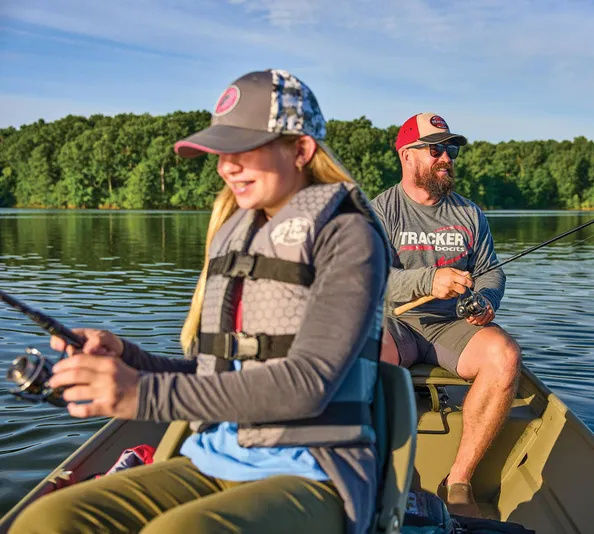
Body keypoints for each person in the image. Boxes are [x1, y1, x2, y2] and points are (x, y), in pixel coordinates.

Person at [10, 69, 389, 534]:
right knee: (49, 518)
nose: (225, 166)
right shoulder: (237, 235)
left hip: (313, 472)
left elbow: (306, 384)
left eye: (243, 148)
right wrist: (130, 359)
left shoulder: (349, 236)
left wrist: (140, 393)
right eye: (221, 152)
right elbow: (212, 378)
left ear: (301, 149)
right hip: (217, 458)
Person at [370, 113, 521, 518]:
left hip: (453, 325)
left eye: (450, 149)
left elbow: (490, 271)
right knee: (364, 355)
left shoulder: (470, 214)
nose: (446, 158)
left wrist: (487, 299)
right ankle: (399, 477)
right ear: (407, 155)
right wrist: (427, 281)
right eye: (435, 149)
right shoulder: (379, 213)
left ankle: (458, 480)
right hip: (395, 321)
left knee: (504, 357)